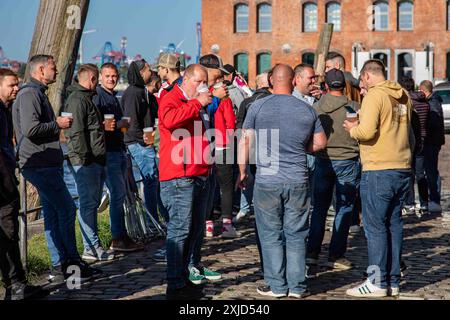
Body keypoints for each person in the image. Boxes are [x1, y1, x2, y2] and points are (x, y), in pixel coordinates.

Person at [238, 64, 327, 299]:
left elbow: (245, 141)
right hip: (297, 177)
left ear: (271, 80)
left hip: (267, 179)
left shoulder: (257, 106)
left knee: (270, 234)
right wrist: (301, 147)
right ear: (292, 80)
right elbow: (320, 143)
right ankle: (297, 286)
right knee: (297, 234)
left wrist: (242, 171)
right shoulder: (307, 109)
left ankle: (277, 286)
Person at [13, 55, 99, 282]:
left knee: (52, 214)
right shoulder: (30, 94)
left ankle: (63, 265)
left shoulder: (37, 93)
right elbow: (31, 129)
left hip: (46, 162)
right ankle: (70, 262)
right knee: (68, 210)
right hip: (40, 164)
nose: (57, 70)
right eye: (53, 67)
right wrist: (57, 125)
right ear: (41, 70)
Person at [344, 60, 412, 298]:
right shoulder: (402, 95)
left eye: (361, 80)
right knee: (394, 225)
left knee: (374, 228)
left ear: (367, 76)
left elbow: (367, 132)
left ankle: (376, 281)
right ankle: (392, 280)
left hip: (379, 168)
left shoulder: (375, 95)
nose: (361, 84)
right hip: (401, 166)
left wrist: (351, 128)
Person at [159, 64, 217, 300]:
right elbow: (170, 120)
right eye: (199, 81)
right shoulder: (171, 97)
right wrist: (198, 103)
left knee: (194, 229)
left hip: (199, 172)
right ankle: (174, 283)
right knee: (180, 229)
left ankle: (183, 277)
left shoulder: (197, 101)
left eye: (205, 82)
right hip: (179, 175)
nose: (203, 86)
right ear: (185, 79)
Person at [0, 68, 48, 300]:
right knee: (8, 233)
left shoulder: (5, 110)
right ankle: (15, 285)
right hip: (3, 183)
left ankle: (16, 283)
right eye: (11, 85)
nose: (16, 88)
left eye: (17, 84)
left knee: (10, 233)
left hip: (7, 178)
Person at [306, 69, 361, 271]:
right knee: (344, 208)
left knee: (319, 208)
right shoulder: (353, 107)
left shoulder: (317, 107)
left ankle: (312, 252)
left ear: (326, 86)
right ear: (344, 86)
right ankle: (336, 255)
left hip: (323, 159)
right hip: (347, 160)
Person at [63, 64, 114, 262]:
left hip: (95, 158)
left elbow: (89, 128)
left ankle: (91, 246)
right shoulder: (78, 99)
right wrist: (85, 159)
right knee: (87, 203)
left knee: (91, 203)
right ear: (92, 79)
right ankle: (91, 246)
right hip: (86, 161)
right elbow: (75, 133)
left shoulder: (86, 98)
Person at [93, 63, 143, 252]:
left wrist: (122, 126)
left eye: (114, 76)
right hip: (108, 152)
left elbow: (117, 128)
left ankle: (121, 235)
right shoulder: (99, 96)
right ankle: (117, 238)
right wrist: (111, 126)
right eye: (108, 76)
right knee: (116, 194)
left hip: (119, 149)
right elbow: (96, 125)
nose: (112, 79)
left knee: (120, 194)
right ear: (100, 77)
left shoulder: (114, 97)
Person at [199, 54, 239, 239]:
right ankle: (226, 225)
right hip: (222, 145)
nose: (221, 79)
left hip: (205, 145)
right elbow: (230, 123)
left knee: (208, 187)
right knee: (226, 187)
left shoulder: (198, 94)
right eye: (219, 76)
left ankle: (207, 224)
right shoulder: (223, 96)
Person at [122, 60, 161, 223]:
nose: (150, 73)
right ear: (140, 73)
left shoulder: (141, 91)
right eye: (147, 71)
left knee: (152, 180)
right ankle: (151, 220)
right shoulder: (134, 93)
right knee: (151, 179)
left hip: (141, 141)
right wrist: (143, 140)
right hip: (137, 143)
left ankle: (154, 218)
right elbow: (131, 121)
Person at [234, 72, 272, 224]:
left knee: (246, 177)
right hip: (269, 145)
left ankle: (244, 208)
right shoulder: (272, 100)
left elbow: (239, 124)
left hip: (249, 144)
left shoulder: (247, 101)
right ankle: (261, 208)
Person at [399, 77, 430, 216]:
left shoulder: (406, 102)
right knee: (420, 174)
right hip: (423, 139)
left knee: (409, 174)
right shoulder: (425, 102)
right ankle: (424, 203)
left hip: (410, 139)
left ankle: (409, 203)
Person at [419, 80, 445, 213]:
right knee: (430, 170)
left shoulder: (433, 103)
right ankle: (434, 199)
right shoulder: (433, 101)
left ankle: (435, 200)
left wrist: (424, 127)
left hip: (432, 142)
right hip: (433, 141)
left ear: (423, 90)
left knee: (431, 171)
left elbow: (434, 122)